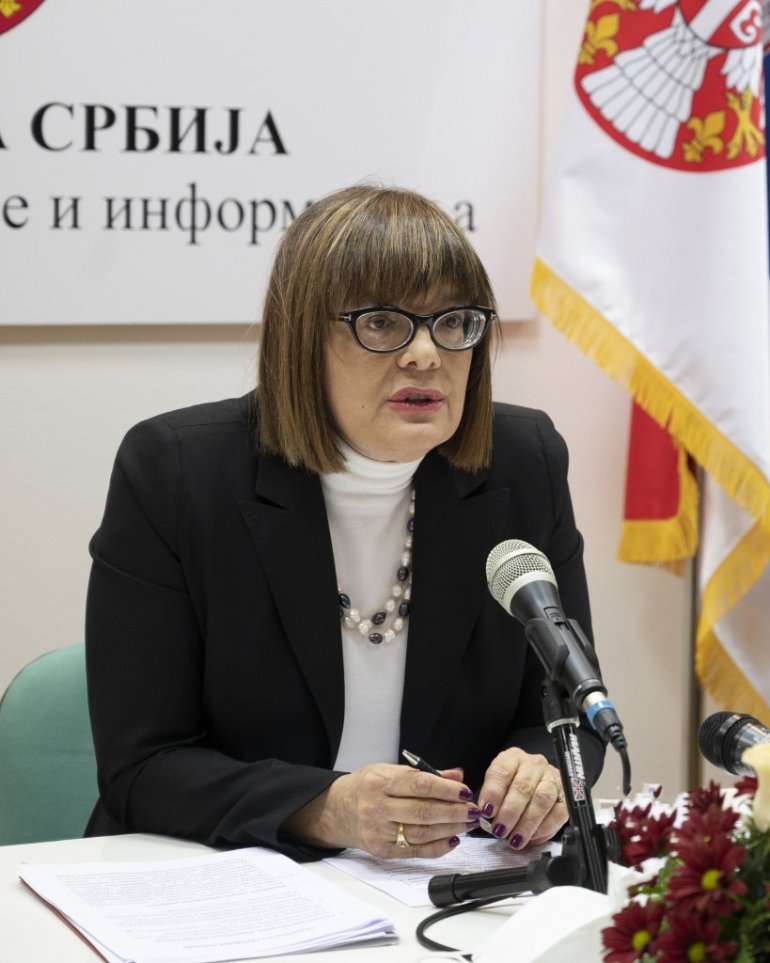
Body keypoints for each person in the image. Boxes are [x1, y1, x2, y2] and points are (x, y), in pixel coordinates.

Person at [85, 183, 605, 862]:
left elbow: (574, 710)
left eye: (454, 321)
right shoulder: (177, 473)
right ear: (302, 339)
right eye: (382, 323)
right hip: (220, 874)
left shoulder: (524, 462)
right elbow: (143, 766)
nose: (427, 354)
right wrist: (326, 808)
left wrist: (542, 775)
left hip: (441, 880)